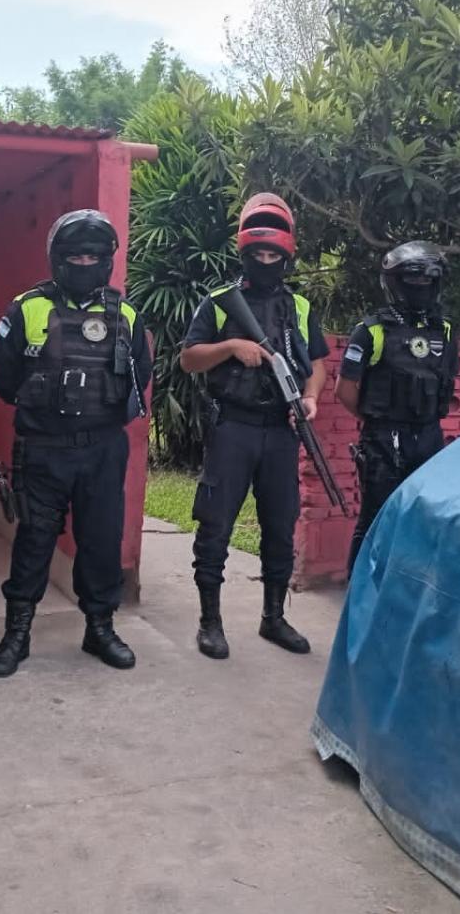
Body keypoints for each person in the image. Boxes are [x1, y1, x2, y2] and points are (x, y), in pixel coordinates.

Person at [0, 209, 152, 677]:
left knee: (101, 541)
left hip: (103, 450)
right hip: (44, 449)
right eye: (75, 256)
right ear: (58, 258)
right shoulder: (26, 308)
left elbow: (140, 373)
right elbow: (1, 372)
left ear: (107, 261)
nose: (84, 263)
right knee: (34, 540)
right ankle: (17, 633)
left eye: (93, 257)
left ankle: (100, 629)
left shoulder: (126, 314)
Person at [178, 193, 329, 659]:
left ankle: (273, 618)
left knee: (279, 527)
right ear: (245, 253)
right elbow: (188, 359)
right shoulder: (221, 303)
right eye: (258, 254)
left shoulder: (299, 307)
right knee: (216, 527)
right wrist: (231, 348)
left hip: (280, 430)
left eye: (273, 256)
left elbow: (318, 364)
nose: (266, 263)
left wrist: (310, 397)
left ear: (286, 256)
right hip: (233, 428)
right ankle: (210, 622)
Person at [336, 241, 459, 574]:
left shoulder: (445, 330)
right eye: (413, 280)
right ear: (394, 282)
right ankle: (358, 591)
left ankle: (408, 590)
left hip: (429, 438)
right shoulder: (371, 331)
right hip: (383, 441)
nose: (421, 287)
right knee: (375, 519)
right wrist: (376, 419)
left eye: (428, 281)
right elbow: (344, 390)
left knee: (424, 518)